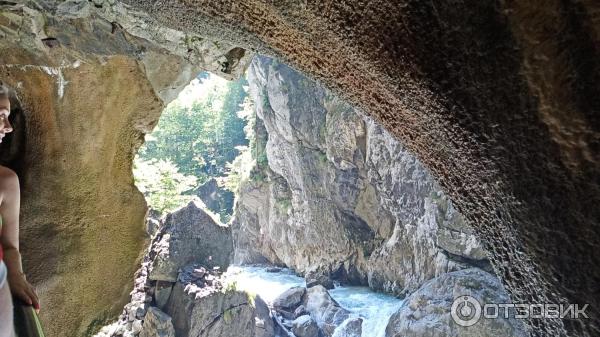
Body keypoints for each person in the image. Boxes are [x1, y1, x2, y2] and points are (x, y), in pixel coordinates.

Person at [0, 81, 39, 337]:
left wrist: (16, 275)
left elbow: (11, 247)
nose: (9, 127)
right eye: (1, 116)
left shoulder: (6, 182)